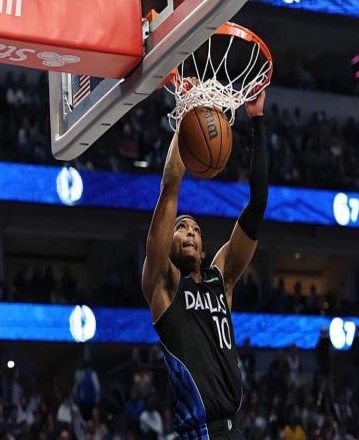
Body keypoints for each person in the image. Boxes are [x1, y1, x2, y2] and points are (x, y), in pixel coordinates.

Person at [141, 90, 268, 439]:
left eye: (195, 230)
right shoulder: (163, 285)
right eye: (181, 228)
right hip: (200, 432)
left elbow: (257, 204)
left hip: (235, 430)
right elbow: (170, 185)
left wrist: (257, 120)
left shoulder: (220, 280)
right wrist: (188, 111)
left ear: (202, 248)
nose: (189, 232)